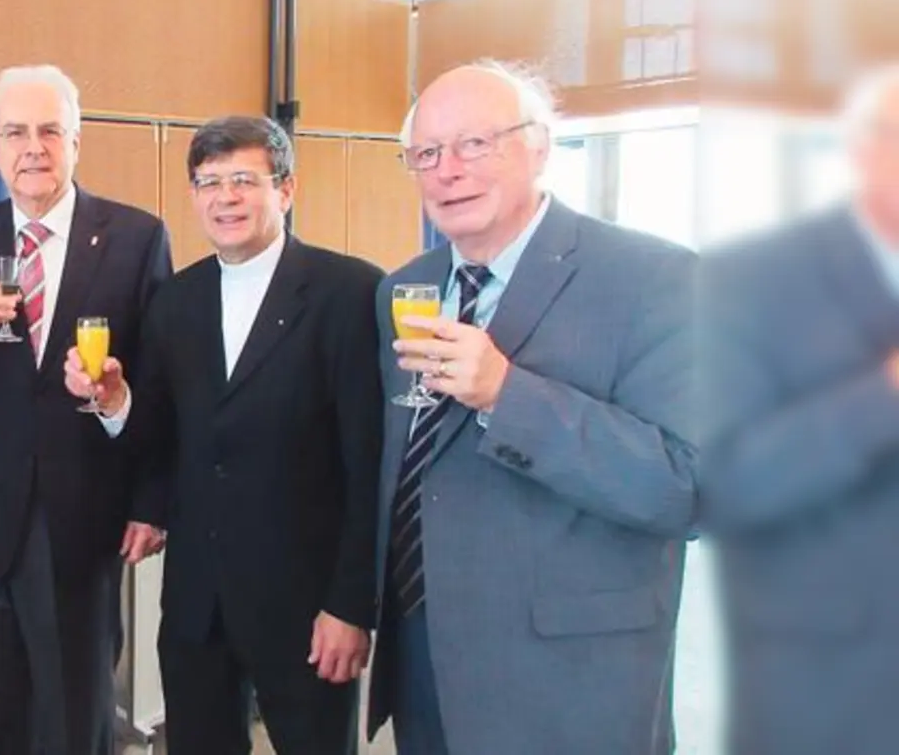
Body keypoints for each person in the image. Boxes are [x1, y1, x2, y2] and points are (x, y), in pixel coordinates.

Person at [367, 61, 698, 754]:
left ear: (540, 146)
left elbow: (686, 488)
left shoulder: (656, 277)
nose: (448, 170)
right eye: (426, 154)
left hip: (569, 678)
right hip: (426, 659)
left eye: (474, 144)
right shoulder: (406, 288)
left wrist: (505, 394)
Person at [63, 115, 384, 754]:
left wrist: (352, 606)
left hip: (305, 602)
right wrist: (117, 401)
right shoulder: (177, 300)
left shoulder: (350, 292)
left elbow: (369, 465)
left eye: (243, 180)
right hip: (197, 598)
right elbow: (166, 431)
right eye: (208, 182)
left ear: (285, 190)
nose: (225, 197)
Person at [0, 64, 172, 755]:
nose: (32, 147)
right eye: (14, 132)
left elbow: (160, 383)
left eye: (48, 130)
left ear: (76, 140)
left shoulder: (135, 237)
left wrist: (152, 501)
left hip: (84, 510)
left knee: (72, 711)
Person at [699, 66, 899, 755]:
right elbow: (724, 484)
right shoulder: (751, 279)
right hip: (834, 694)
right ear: (864, 149)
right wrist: (882, 396)